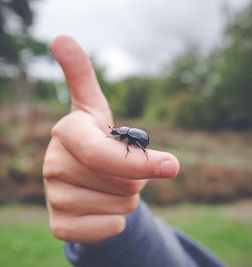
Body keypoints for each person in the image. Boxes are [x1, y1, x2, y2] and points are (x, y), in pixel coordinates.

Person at [43, 35, 225, 267]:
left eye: (118, 134)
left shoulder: (130, 137)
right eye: (117, 134)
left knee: (132, 147)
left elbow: (131, 141)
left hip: (142, 141)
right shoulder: (123, 134)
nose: (117, 135)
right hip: (126, 242)